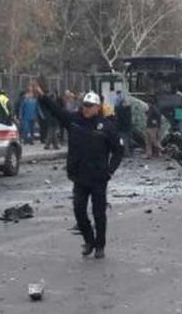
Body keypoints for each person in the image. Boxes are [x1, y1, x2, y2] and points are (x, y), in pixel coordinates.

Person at [33, 84, 124, 259]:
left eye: (90, 106)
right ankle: (89, 240)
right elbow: (56, 111)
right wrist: (43, 97)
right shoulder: (74, 121)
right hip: (79, 177)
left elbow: (119, 151)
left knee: (99, 214)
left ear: (97, 108)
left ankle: (100, 245)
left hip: (99, 177)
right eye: (84, 105)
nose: (86, 109)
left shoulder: (106, 126)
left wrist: (110, 170)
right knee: (79, 211)